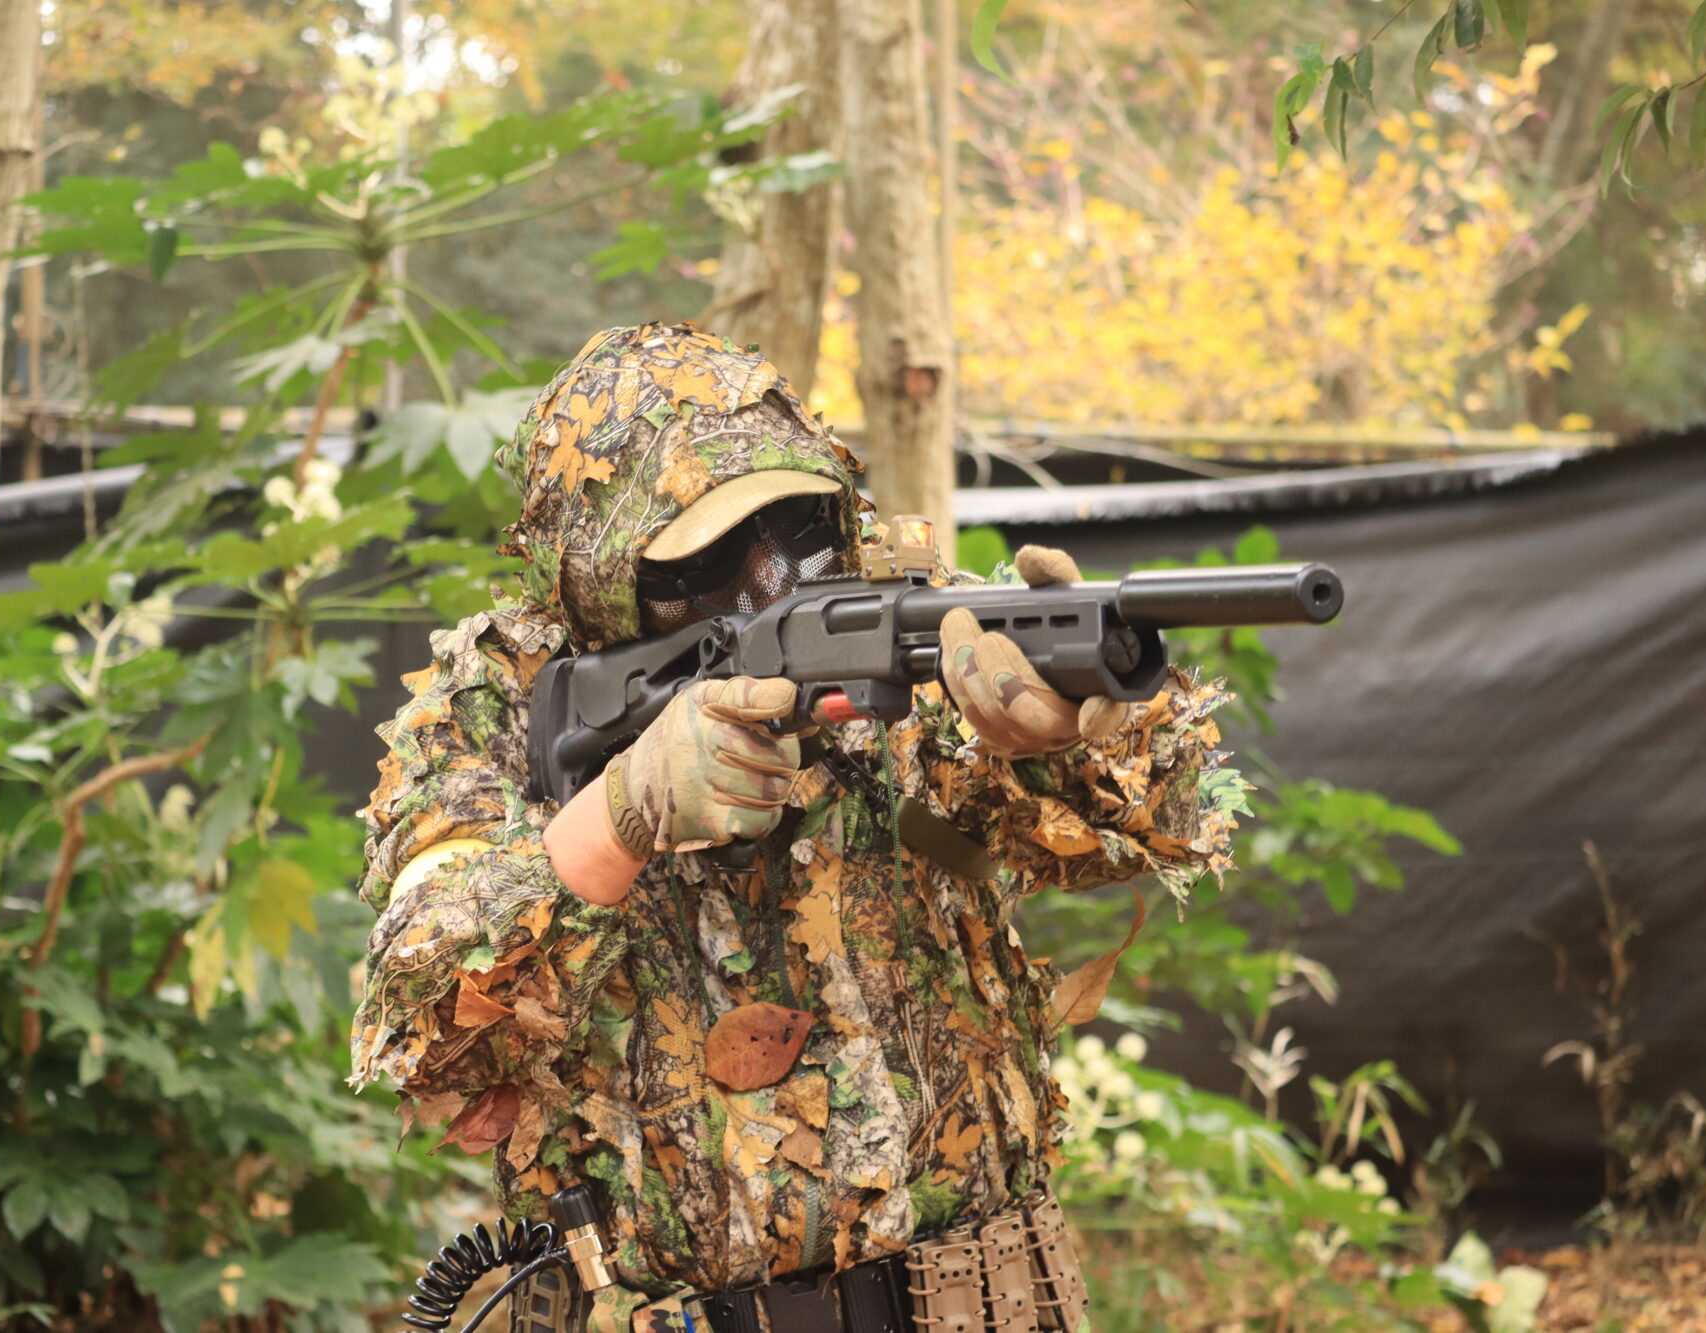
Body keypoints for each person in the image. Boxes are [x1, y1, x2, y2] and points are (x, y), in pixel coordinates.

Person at [351, 323, 1234, 1333]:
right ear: (602, 576)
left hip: (982, 1306)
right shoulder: (496, 706)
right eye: (713, 557)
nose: (773, 576)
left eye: (797, 526)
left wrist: (1077, 731)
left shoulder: (908, 631)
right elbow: (424, 1026)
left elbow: (1167, 823)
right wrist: (619, 814)